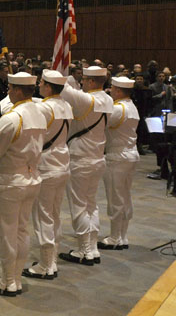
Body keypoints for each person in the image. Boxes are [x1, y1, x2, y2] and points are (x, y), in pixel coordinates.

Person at [0, 72, 46, 297]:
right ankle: (16, 278)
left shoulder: (12, 117)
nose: (8, 92)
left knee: (6, 233)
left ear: (18, 90)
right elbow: (16, 140)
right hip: (32, 178)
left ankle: (6, 281)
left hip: (10, 182)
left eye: (11, 89)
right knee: (22, 231)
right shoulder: (39, 113)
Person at [59, 66, 114, 266]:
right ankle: (93, 249)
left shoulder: (87, 100)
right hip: (98, 157)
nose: (81, 83)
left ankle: (84, 251)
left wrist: (61, 64)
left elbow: (62, 87)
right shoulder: (108, 100)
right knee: (91, 205)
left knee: (79, 206)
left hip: (80, 159)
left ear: (91, 82)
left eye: (84, 80)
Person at [23, 70, 73, 280]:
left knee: (43, 215)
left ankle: (45, 264)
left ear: (49, 87)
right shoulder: (66, 105)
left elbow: (33, 133)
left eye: (42, 83)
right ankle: (51, 261)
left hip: (46, 165)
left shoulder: (44, 108)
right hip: (62, 163)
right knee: (54, 214)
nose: (39, 86)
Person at [98, 76, 139, 250]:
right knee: (125, 196)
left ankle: (115, 237)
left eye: (113, 89)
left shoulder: (118, 109)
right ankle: (122, 236)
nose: (110, 91)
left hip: (117, 156)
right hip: (130, 154)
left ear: (119, 91)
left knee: (115, 197)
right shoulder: (132, 107)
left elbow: (100, 124)